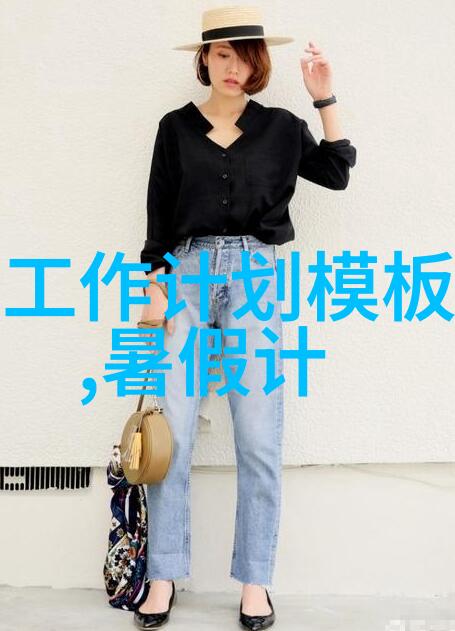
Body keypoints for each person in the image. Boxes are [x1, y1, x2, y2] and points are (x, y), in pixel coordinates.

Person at [134, 6, 357, 630]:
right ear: (204, 59)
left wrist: (324, 96)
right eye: (222, 55)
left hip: (256, 276)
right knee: (173, 434)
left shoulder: (281, 127)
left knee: (258, 434)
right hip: (185, 273)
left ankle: (255, 581)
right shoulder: (175, 128)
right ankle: (162, 574)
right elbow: (157, 215)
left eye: (245, 57)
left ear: (259, 65)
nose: (233, 68)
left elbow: (336, 172)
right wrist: (154, 285)